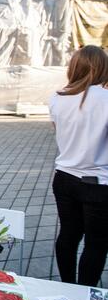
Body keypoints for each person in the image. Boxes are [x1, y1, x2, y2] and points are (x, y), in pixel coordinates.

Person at [49, 45, 108, 286]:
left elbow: (59, 132)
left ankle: (67, 285)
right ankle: (84, 295)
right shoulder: (105, 99)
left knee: (68, 235)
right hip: (97, 182)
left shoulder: (57, 97)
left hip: (64, 177)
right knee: (96, 243)